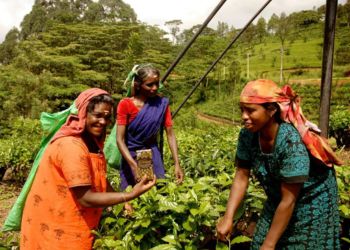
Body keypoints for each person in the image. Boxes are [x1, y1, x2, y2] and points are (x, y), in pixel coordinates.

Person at [20, 88, 156, 250]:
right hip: (58, 226)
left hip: (77, 222)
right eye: (98, 115)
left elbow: (97, 176)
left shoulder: (91, 142)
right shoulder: (71, 146)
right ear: (83, 113)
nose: (103, 122)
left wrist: (121, 202)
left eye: (107, 117)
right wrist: (130, 195)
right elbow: (85, 198)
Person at [216, 79, 342, 249]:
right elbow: (241, 175)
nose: (243, 116)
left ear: (272, 110)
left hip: (313, 198)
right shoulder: (248, 135)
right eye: (242, 110)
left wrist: (269, 245)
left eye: (250, 110)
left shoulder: (290, 141)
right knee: (260, 241)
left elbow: (289, 201)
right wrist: (228, 217)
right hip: (279, 196)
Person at [116, 64, 184, 210]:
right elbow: (119, 140)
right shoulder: (125, 104)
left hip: (150, 154)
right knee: (131, 202)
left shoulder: (162, 103)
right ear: (139, 85)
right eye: (149, 85)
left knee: (156, 200)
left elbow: (170, 134)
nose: (154, 88)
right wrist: (134, 166)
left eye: (156, 83)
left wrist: (177, 163)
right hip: (132, 155)